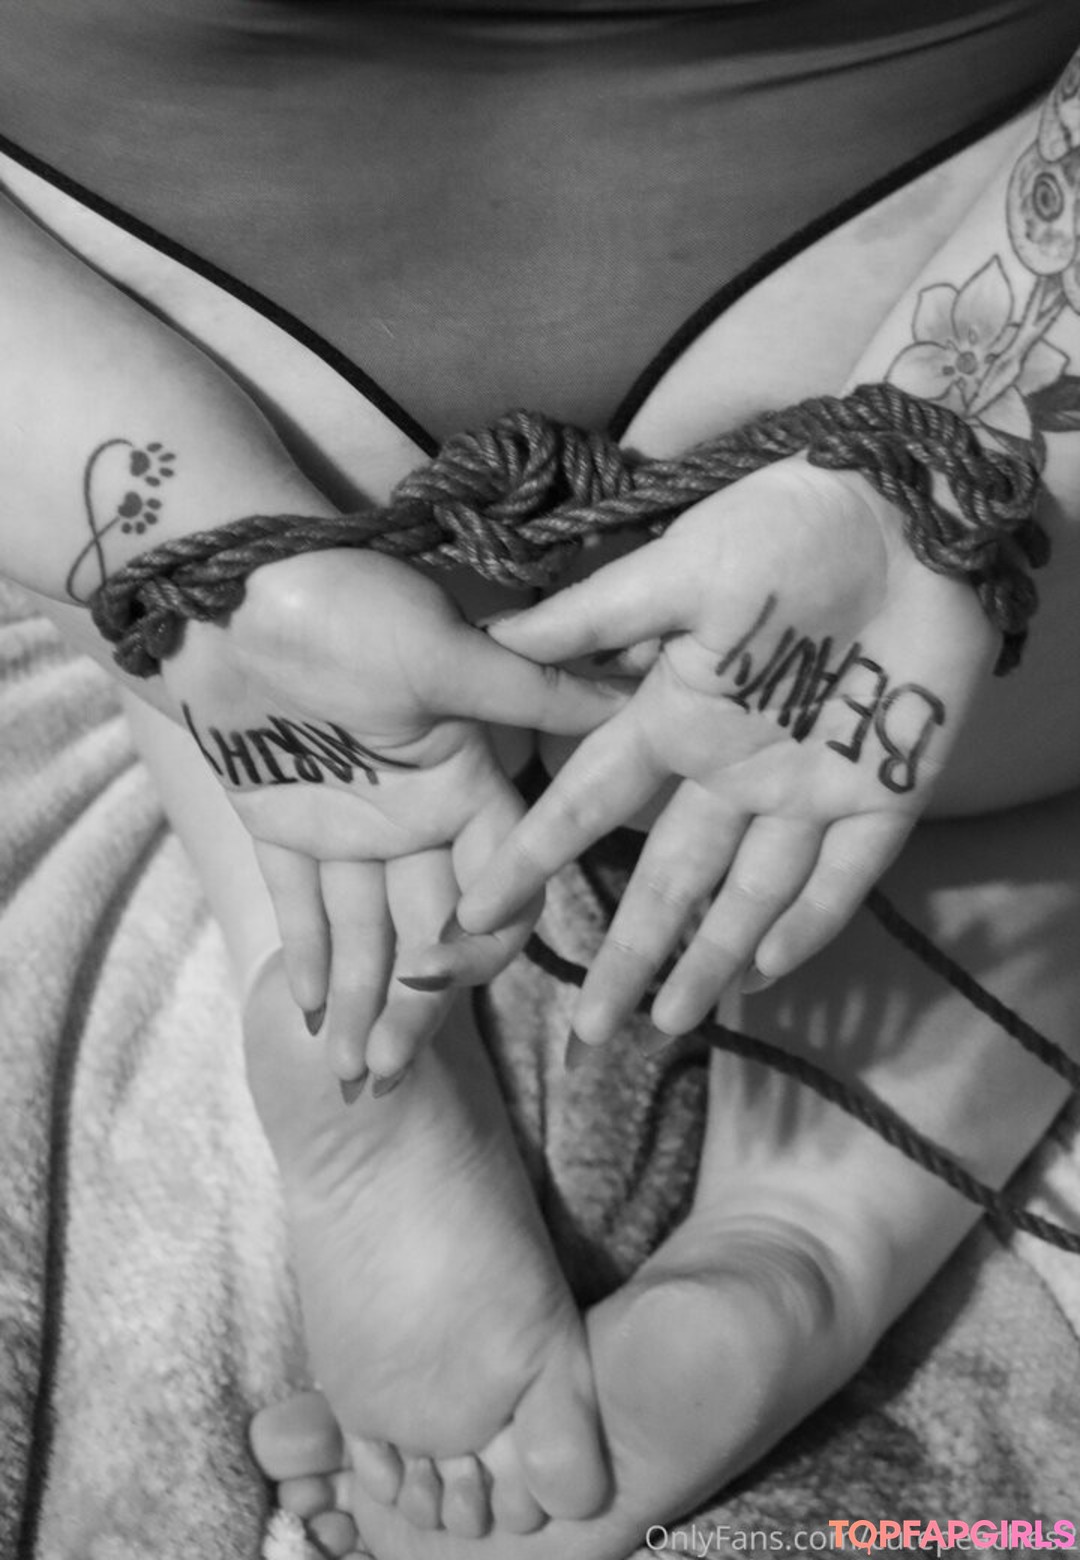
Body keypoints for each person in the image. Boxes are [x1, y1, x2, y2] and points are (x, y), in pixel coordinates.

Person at [0, 4, 1079, 1556]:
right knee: (1007, 756)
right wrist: (934, 466)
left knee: (234, 648)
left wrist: (190, 545)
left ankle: (348, 1002)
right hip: (925, 561)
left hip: (255, 496)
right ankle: (807, 1234)